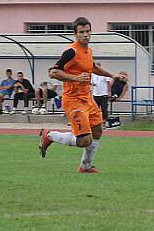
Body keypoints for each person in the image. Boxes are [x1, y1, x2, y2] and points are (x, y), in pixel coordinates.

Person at [39, 17, 123, 173]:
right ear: (75, 34)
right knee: (85, 140)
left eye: (88, 31)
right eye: (82, 32)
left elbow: (92, 67)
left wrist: (112, 75)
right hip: (73, 100)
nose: (86, 35)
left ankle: (85, 166)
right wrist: (76, 78)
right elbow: (53, 72)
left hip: (87, 98)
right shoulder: (71, 51)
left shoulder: (88, 51)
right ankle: (49, 135)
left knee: (97, 130)